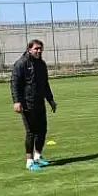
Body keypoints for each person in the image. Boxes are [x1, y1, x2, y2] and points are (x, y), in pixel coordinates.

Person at [10, 39, 57, 172]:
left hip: (39, 102)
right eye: (36, 48)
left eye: (40, 48)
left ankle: (38, 156)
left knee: (42, 130)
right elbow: (14, 84)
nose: (39, 51)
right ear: (29, 49)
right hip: (27, 103)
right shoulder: (21, 63)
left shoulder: (41, 64)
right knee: (31, 132)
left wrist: (51, 100)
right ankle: (29, 162)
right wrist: (17, 101)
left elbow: (45, 84)